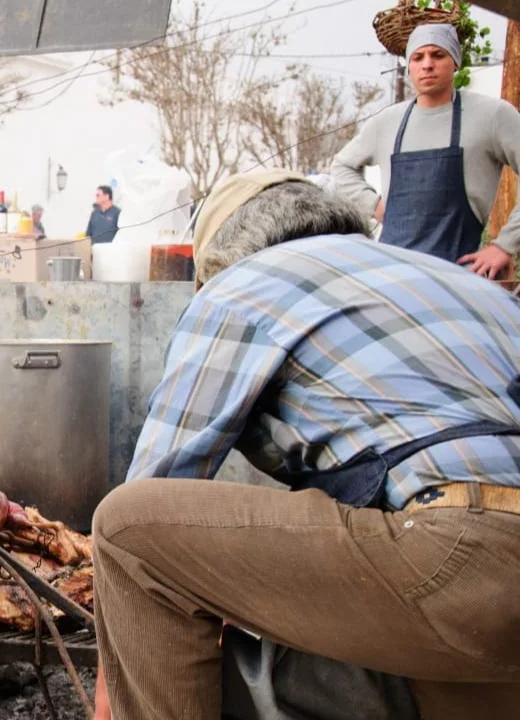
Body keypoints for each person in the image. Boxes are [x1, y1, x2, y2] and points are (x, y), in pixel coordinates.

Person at [92, 169, 520, 719]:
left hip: (459, 559)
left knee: (127, 529)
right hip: (482, 618)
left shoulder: (244, 284)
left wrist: (112, 685)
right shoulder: (460, 283)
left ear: (218, 259)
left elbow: (159, 484)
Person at [332, 23, 520, 279]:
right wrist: (374, 205)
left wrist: (504, 246)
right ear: (409, 66)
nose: (427, 65)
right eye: (418, 57)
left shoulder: (492, 115)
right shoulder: (387, 122)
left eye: (438, 55)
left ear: (455, 61)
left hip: (460, 277)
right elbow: (341, 166)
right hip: (393, 275)